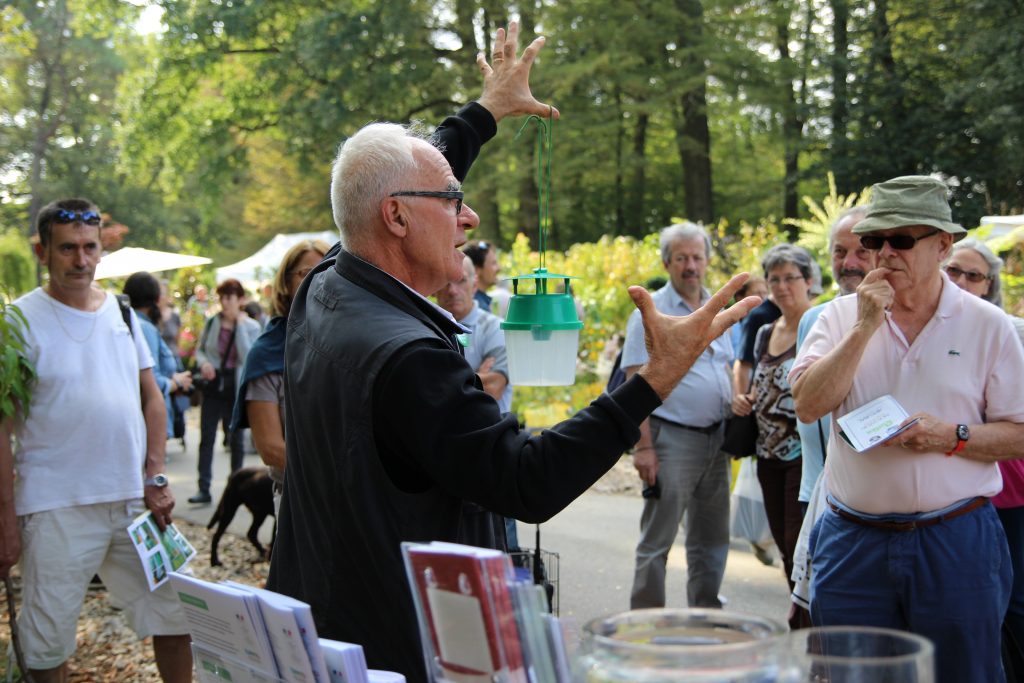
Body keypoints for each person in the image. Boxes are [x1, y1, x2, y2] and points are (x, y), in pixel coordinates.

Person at [265, 23, 761, 683]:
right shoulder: (407, 355)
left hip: (329, 622)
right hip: (405, 646)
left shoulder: (326, 285)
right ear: (396, 218)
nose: (469, 220)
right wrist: (651, 379)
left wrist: (485, 112)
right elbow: (525, 478)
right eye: (454, 202)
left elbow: (397, 178)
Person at [792, 176, 1024, 683]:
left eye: (901, 240)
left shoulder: (989, 325)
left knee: (965, 674)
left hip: (957, 538)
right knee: (854, 675)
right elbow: (808, 405)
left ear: (943, 245)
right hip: (854, 540)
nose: (884, 255)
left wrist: (952, 437)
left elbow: (1020, 433)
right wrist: (865, 326)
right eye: (874, 242)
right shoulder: (840, 317)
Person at [0, 199, 191, 682]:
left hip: (134, 503)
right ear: (42, 252)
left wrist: (155, 474)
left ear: (101, 249)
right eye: (67, 249)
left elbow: (152, 399)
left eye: (89, 248)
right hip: (54, 507)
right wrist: (4, 518)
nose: (81, 261)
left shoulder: (124, 313)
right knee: (46, 648)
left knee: (181, 613)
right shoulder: (16, 324)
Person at [623, 223, 735, 610]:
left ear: (706, 261)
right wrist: (644, 447)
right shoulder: (650, 311)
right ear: (667, 263)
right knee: (658, 540)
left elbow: (726, 366)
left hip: (717, 440)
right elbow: (633, 382)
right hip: (671, 439)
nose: (691, 265)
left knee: (713, 538)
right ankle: (645, 622)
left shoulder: (715, 307)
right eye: (682, 258)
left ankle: (706, 617)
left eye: (697, 257)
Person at [945, 237, 1024, 665]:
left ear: (989, 284)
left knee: (1011, 597)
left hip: (1009, 484)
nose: (959, 280)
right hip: (955, 493)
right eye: (953, 270)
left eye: (971, 275)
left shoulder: (1009, 331)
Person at [731, 244, 814, 629]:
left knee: (801, 542)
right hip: (766, 453)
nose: (782, 287)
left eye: (790, 278)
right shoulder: (766, 331)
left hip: (804, 454)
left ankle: (810, 623)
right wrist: (746, 398)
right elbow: (753, 375)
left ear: (808, 281)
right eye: (775, 279)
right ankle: (800, 616)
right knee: (782, 540)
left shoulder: (818, 326)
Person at [231, 238, 331, 516]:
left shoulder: (352, 342)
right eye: (305, 273)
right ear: (285, 285)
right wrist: (334, 474)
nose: (317, 280)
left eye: (327, 271)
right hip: (300, 496)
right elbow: (271, 448)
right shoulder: (266, 354)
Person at [794, 207, 872, 513]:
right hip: (813, 489)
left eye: (861, 252)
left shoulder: (897, 319)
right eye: (840, 252)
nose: (849, 263)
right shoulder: (812, 319)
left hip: (863, 497)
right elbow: (804, 403)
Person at [189, 278, 261, 504]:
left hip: (235, 386)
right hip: (213, 385)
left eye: (229, 298)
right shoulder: (212, 322)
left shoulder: (251, 326)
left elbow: (247, 356)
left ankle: (235, 487)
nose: (224, 303)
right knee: (207, 438)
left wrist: (239, 326)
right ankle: (203, 487)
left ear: (240, 299)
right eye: (221, 298)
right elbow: (200, 351)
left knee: (236, 439)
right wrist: (204, 363)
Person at [123, 271, 194, 439]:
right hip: (148, 422)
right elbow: (150, 379)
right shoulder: (145, 328)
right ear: (155, 299)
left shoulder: (133, 323)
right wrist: (176, 382)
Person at [463, 239, 500, 312]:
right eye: (493, 263)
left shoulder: (470, 303)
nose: (499, 268)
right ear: (476, 270)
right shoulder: (478, 308)